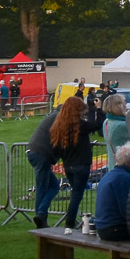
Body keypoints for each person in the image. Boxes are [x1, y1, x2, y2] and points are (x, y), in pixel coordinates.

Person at [33, 96, 102, 230]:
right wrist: (98, 109)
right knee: (77, 194)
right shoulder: (79, 125)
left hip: (68, 164)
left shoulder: (59, 126)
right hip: (81, 163)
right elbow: (96, 125)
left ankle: (55, 217)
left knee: (74, 192)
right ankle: (70, 221)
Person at [92, 145, 130, 242]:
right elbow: (127, 209)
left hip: (102, 226)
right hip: (115, 229)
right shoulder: (125, 178)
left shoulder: (109, 175)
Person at [101, 92, 130, 170]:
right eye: (124, 102)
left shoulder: (106, 122)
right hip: (126, 166)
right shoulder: (122, 125)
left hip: (113, 164)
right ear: (118, 106)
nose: (126, 104)